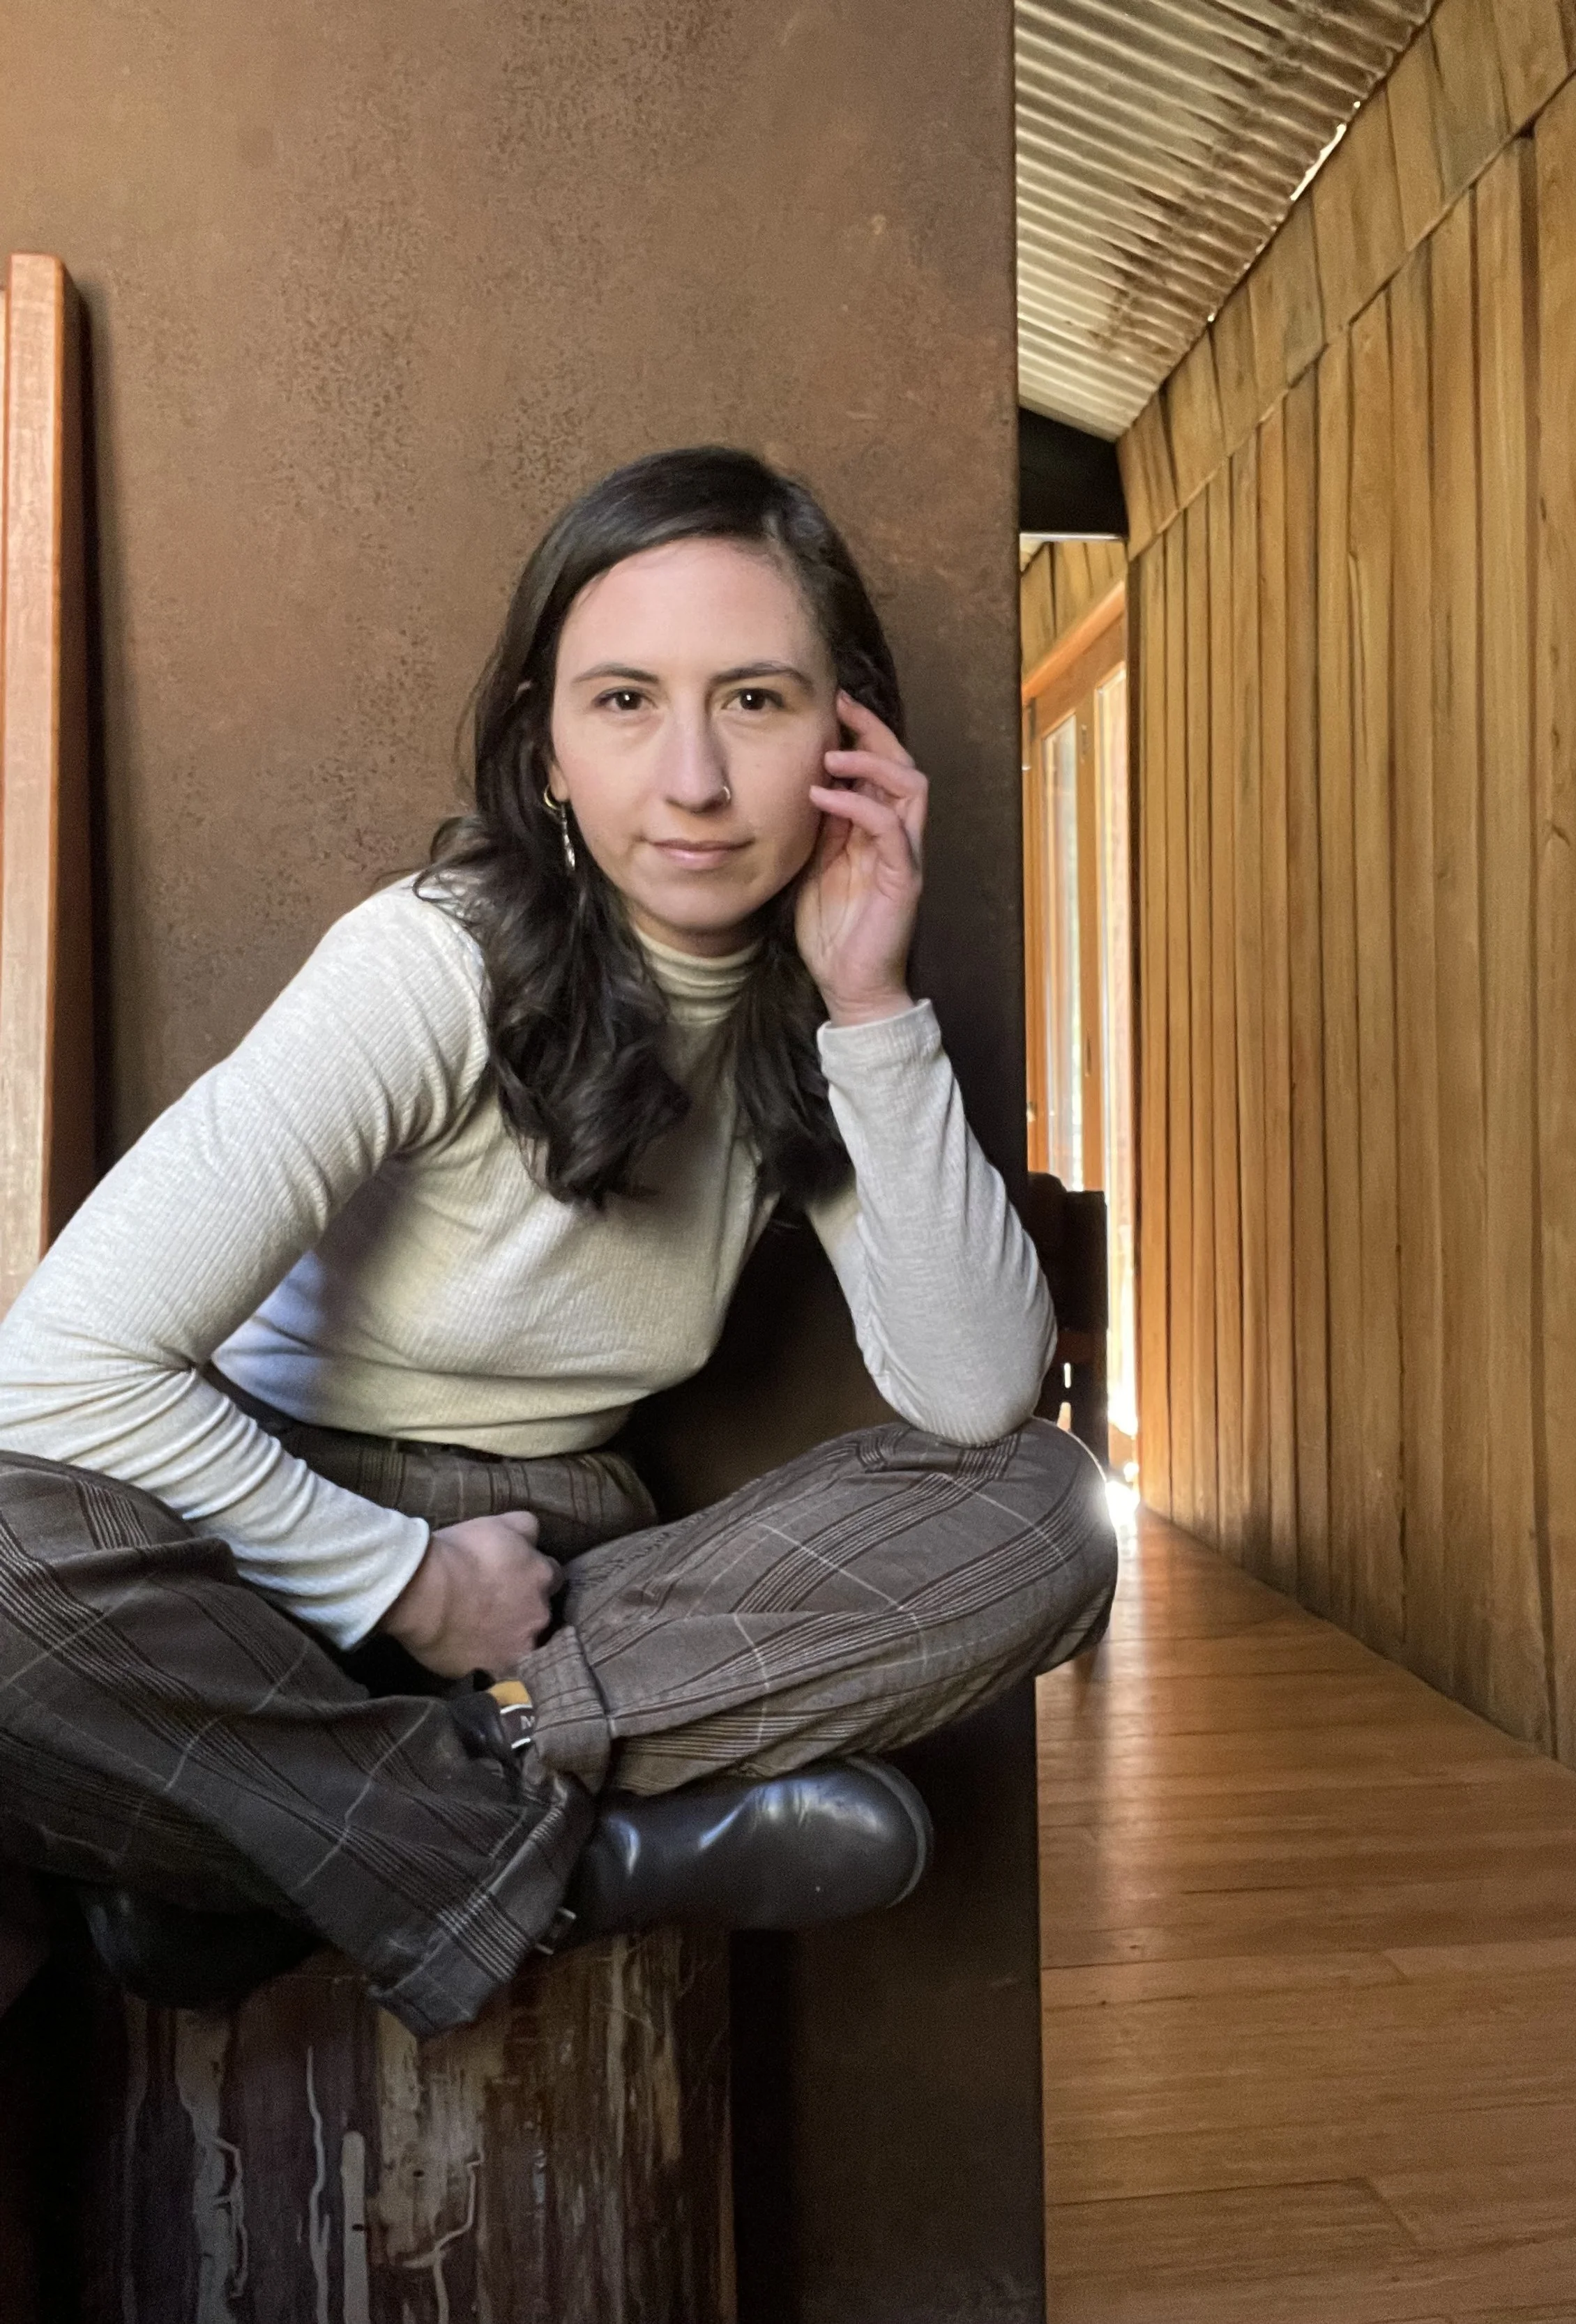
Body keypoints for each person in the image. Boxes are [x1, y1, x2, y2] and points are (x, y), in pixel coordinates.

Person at [0, 446, 1115, 2038]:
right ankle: (576, 1858)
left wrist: (873, 1001)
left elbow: (974, 1390)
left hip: (559, 1586)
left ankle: (269, 1846)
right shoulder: (426, 962)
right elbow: (58, 1368)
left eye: (752, 699)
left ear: (847, 737)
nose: (691, 779)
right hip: (241, 1537)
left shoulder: (815, 1004)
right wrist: (401, 1583)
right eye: (621, 701)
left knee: (1048, 1513)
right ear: (543, 751)